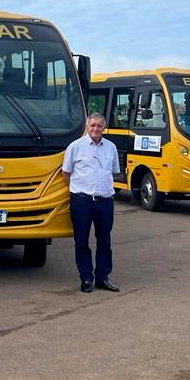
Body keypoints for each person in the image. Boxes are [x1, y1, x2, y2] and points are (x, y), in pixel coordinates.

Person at [61, 112, 120, 293]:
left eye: (99, 126)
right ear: (87, 125)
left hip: (104, 201)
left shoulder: (111, 148)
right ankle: (86, 278)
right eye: (92, 125)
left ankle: (102, 277)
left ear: (104, 128)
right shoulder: (75, 147)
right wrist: (78, 190)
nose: (95, 129)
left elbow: (114, 172)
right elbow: (66, 172)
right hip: (81, 201)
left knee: (104, 240)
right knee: (81, 241)